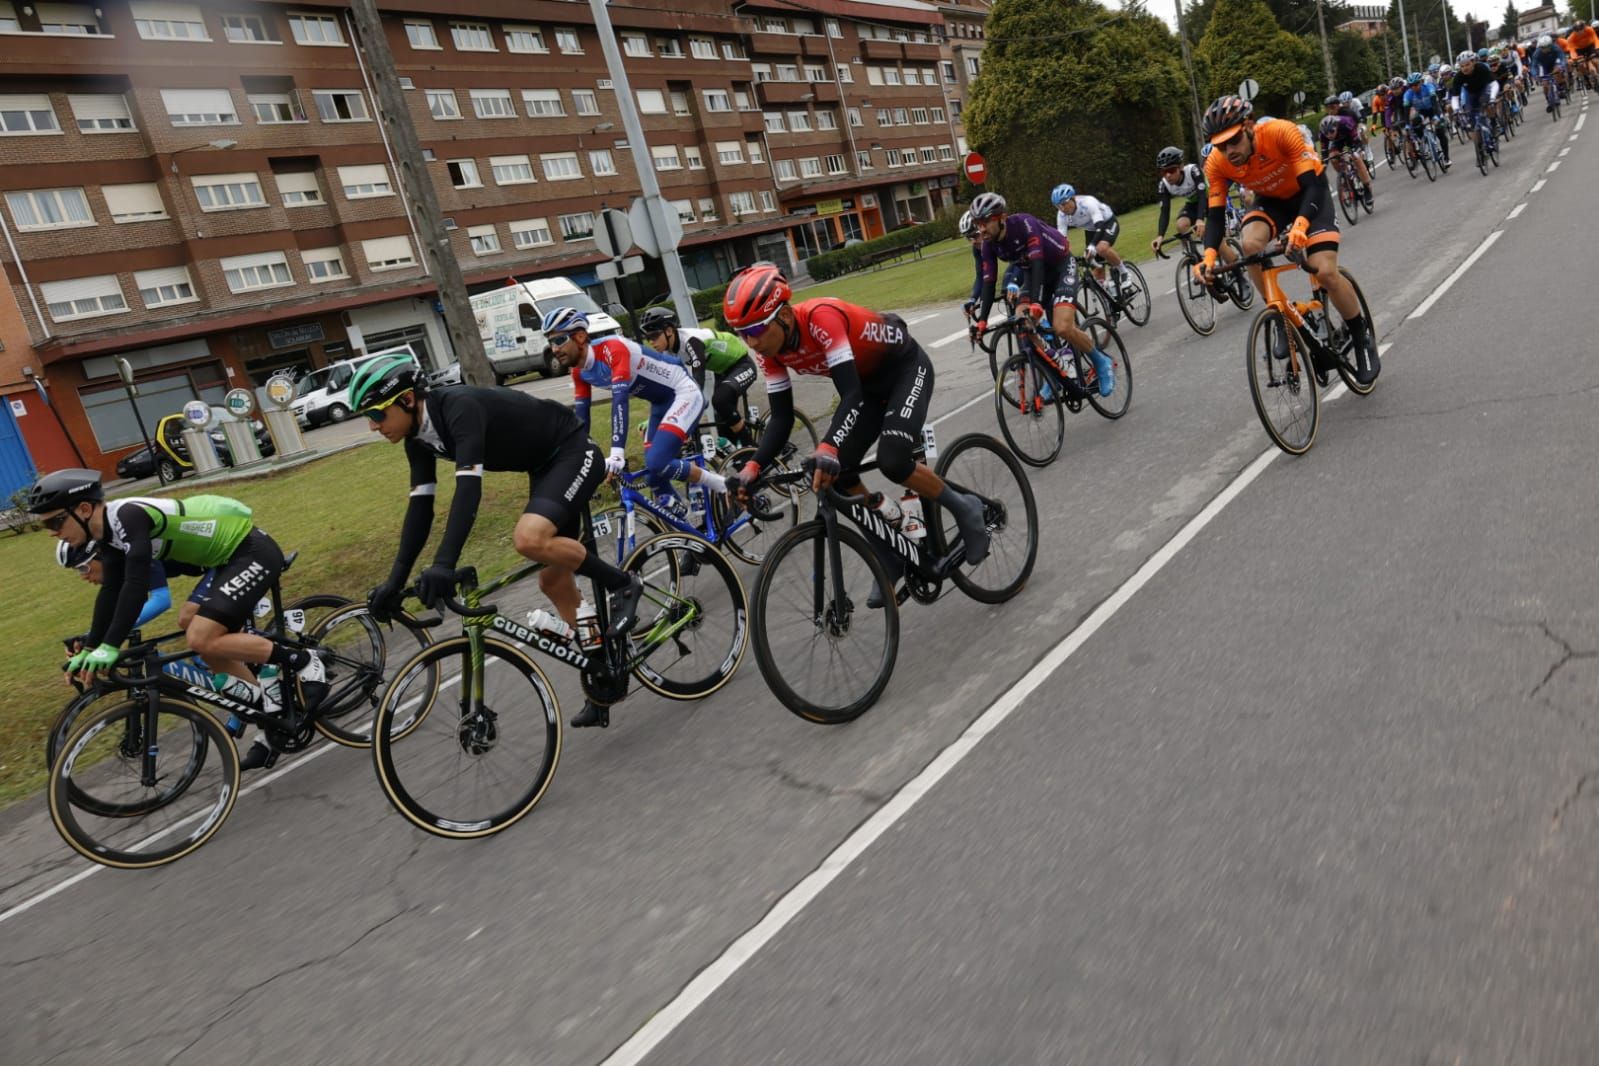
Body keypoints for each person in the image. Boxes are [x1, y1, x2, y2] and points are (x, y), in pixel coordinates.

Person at [352, 351, 646, 729]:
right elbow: (420, 511)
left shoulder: (459, 408)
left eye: (376, 415)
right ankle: (604, 669)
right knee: (552, 580)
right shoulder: (418, 440)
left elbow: (468, 492)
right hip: (543, 468)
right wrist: (395, 581)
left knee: (529, 538)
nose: (373, 427)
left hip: (573, 450)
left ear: (407, 400)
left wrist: (443, 564)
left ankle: (624, 583)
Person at [720, 264, 992, 602]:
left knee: (893, 459)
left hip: (905, 370)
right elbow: (782, 417)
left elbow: (849, 394)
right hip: (867, 389)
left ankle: (966, 508)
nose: (752, 341)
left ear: (786, 315)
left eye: (757, 328)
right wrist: (753, 467)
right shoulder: (770, 352)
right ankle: (889, 556)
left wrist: (827, 447)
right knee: (836, 476)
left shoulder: (821, 318)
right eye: (742, 333)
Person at [27, 468, 324, 770]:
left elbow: (135, 587)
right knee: (207, 645)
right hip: (224, 560)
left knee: (199, 636)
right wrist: (91, 646)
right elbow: (111, 593)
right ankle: (269, 724)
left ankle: (304, 661)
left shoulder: (128, 517)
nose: (52, 531)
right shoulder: (109, 538)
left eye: (55, 521)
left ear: (84, 509)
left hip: (249, 550)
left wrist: (110, 646)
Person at [1196, 94, 1380, 386]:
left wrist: (1301, 226)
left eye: (1233, 141)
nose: (1228, 151)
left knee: (1325, 271)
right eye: (1220, 145)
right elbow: (1215, 216)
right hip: (1271, 203)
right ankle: (1278, 315)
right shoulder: (1217, 164)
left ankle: (1360, 333)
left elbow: (1313, 186)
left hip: (1310, 197)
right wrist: (1207, 258)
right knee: (1249, 244)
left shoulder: (1280, 132)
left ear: (1249, 127)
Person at [544, 306, 725, 516]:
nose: (554, 349)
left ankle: (724, 485)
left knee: (658, 462)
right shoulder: (579, 373)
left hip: (683, 391)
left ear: (581, 336)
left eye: (558, 341)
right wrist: (577, 457)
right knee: (653, 477)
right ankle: (685, 530)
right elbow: (581, 420)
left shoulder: (612, 348)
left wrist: (617, 453)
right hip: (660, 403)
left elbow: (620, 400)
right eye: (550, 342)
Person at [966, 191, 1116, 400]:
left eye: (985, 222)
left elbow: (1037, 261)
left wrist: (1036, 303)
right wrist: (982, 321)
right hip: (1034, 273)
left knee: (1062, 327)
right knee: (1021, 321)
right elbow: (989, 283)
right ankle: (1053, 373)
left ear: (1001, 218)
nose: (981, 229)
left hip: (1060, 266)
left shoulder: (1024, 224)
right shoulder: (988, 245)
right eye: (977, 223)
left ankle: (1101, 361)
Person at [637, 306, 759, 451]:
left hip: (742, 364)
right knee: (722, 424)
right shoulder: (669, 353)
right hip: (722, 371)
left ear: (669, 331)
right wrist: (654, 419)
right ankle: (741, 458)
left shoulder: (691, 341)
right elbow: (670, 389)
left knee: (721, 401)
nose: (651, 342)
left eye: (654, 336)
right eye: (648, 338)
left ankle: (752, 447)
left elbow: (697, 380)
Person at [1150, 145, 1237, 272]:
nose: (1168, 175)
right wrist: (1160, 236)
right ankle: (1194, 257)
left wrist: (1200, 220)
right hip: (1193, 204)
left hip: (1211, 199)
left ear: (1180, 167)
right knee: (1181, 225)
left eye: (1171, 170)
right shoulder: (1164, 185)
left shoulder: (1193, 171)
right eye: (1163, 172)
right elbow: (1164, 211)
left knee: (1214, 240)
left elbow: (1202, 196)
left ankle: (1238, 273)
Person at [1051, 183, 1129, 291]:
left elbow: (1100, 225)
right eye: (1058, 206)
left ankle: (1124, 272)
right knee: (1091, 263)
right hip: (1091, 230)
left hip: (1106, 223)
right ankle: (1109, 295)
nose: (1062, 208)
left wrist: (1092, 245)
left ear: (1073, 198)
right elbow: (1061, 239)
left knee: (1101, 248)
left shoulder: (1088, 202)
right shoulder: (1061, 215)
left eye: (1064, 203)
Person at [1318, 111, 1374, 206]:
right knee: (1333, 157)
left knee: (1356, 157)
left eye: (1332, 131)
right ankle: (1345, 177)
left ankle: (1367, 188)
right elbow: (1324, 153)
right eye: (1326, 133)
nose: (1329, 135)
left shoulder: (1345, 123)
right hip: (1337, 142)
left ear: (1336, 126)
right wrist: (1323, 165)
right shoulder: (1323, 135)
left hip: (1350, 137)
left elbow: (1356, 142)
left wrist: (1355, 149)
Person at [1454, 50, 1501, 152]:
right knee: (1471, 117)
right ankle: (1479, 149)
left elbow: (1494, 84)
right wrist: (1456, 109)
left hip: (1484, 90)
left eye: (1467, 65)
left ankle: (1493, 124)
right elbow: (1455, 97)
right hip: (1471, 94)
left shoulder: (1482, 68)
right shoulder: (1458, 77)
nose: (1464, 68)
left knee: (1486, 105)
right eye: (1462, 66)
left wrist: (1492, 98)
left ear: (1473, 62)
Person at [1402, 72, 1451, 166]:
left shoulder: (1429, 87)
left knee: (1440, 132)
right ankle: (1425, 142)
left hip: (1433, 110)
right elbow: (1406, 111)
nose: (1414, 87)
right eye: (1411, 85)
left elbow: (1435, 103)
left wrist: (1437, 116)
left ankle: (1446, 158)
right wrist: (1407, 125)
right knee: (1415, 124)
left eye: (1416, 84)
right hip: (1422, 112)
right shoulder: (1408, 94)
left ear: (1421, 82)